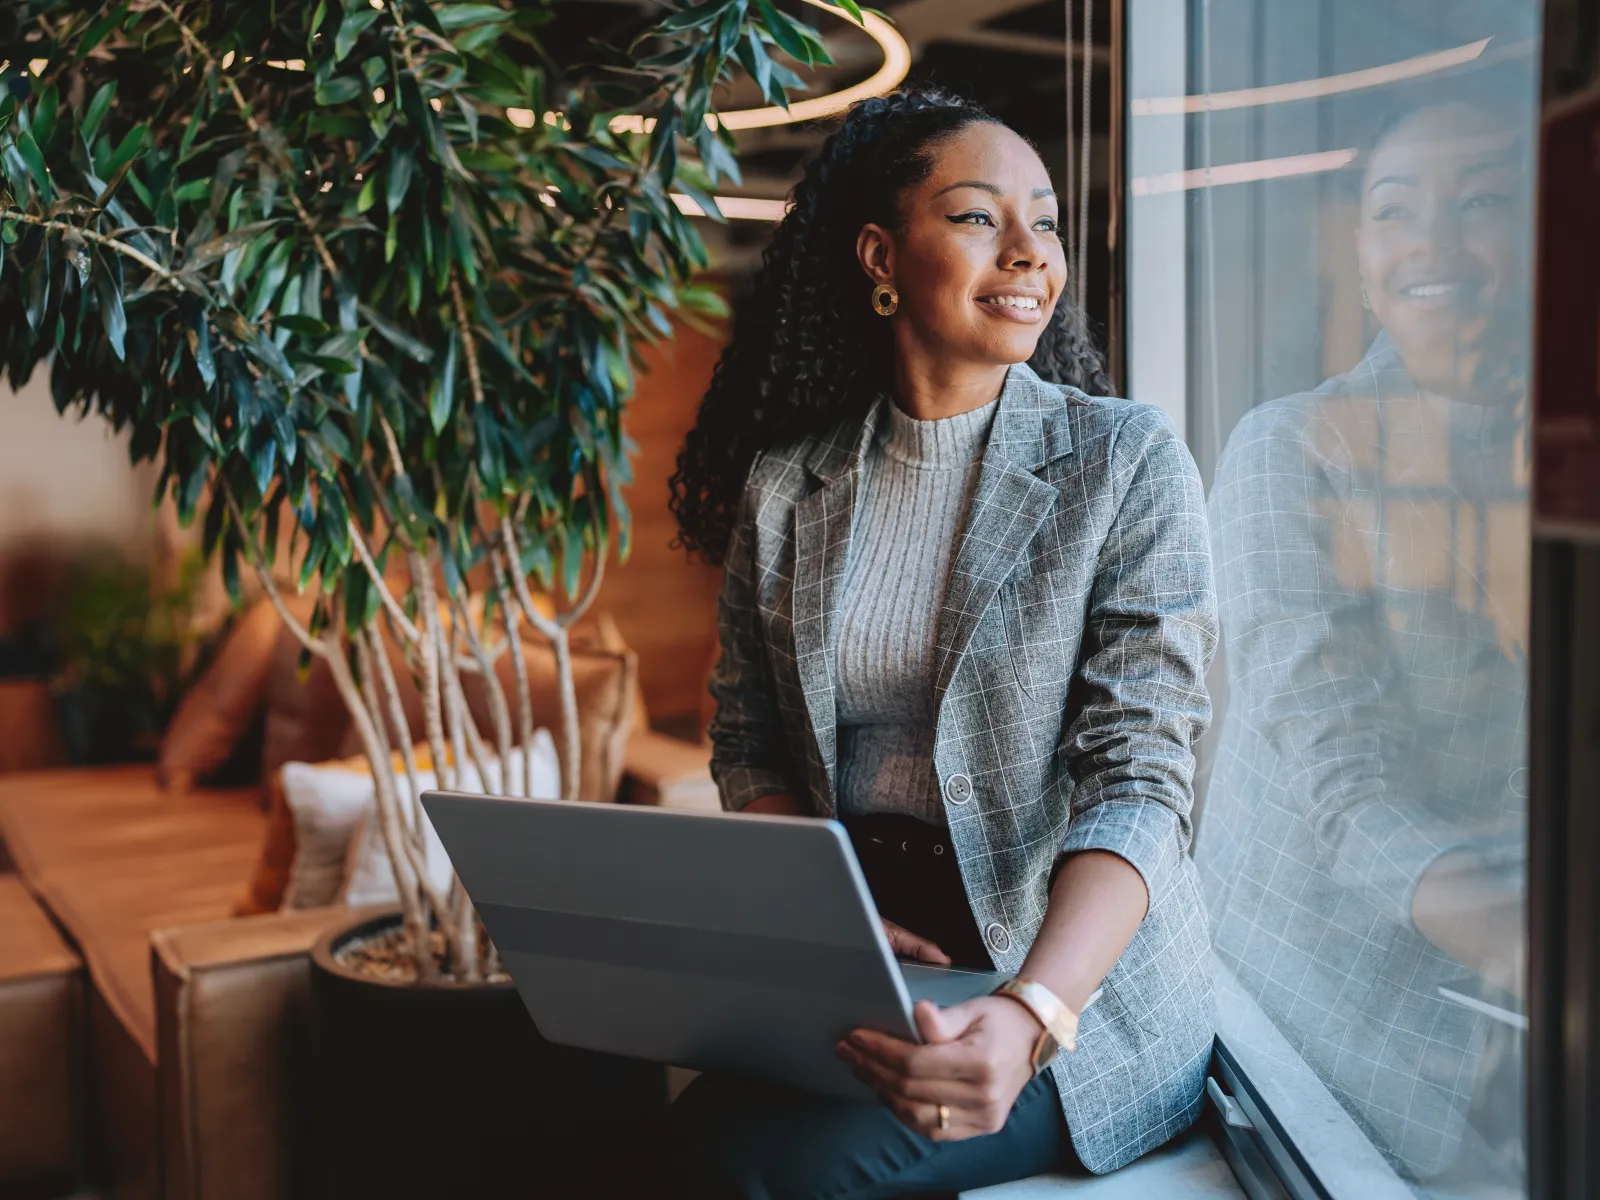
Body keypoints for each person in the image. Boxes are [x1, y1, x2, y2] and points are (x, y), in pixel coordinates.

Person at [667, 88, 1218, 1198]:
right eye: (977, 218)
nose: (1028, 252)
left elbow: (1142, 778)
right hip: (867, 962)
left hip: (1068, 989)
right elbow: (752, 742)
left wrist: (1028, 1015)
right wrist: (833, 920)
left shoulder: (1124, 462)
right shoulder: (790, 485)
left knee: (782, 1175)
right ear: (881, 254)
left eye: (1047, 222)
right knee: (681, 1142)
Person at [1198, 87, 1531, 1186]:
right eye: (1395, 210)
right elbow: (1346, 795)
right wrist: (1539, 952)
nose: (1432, 242)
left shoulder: (1558, 449)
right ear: (1357, 258)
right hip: (1328, 1010)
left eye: (1481, 200)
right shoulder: (1291, 448)